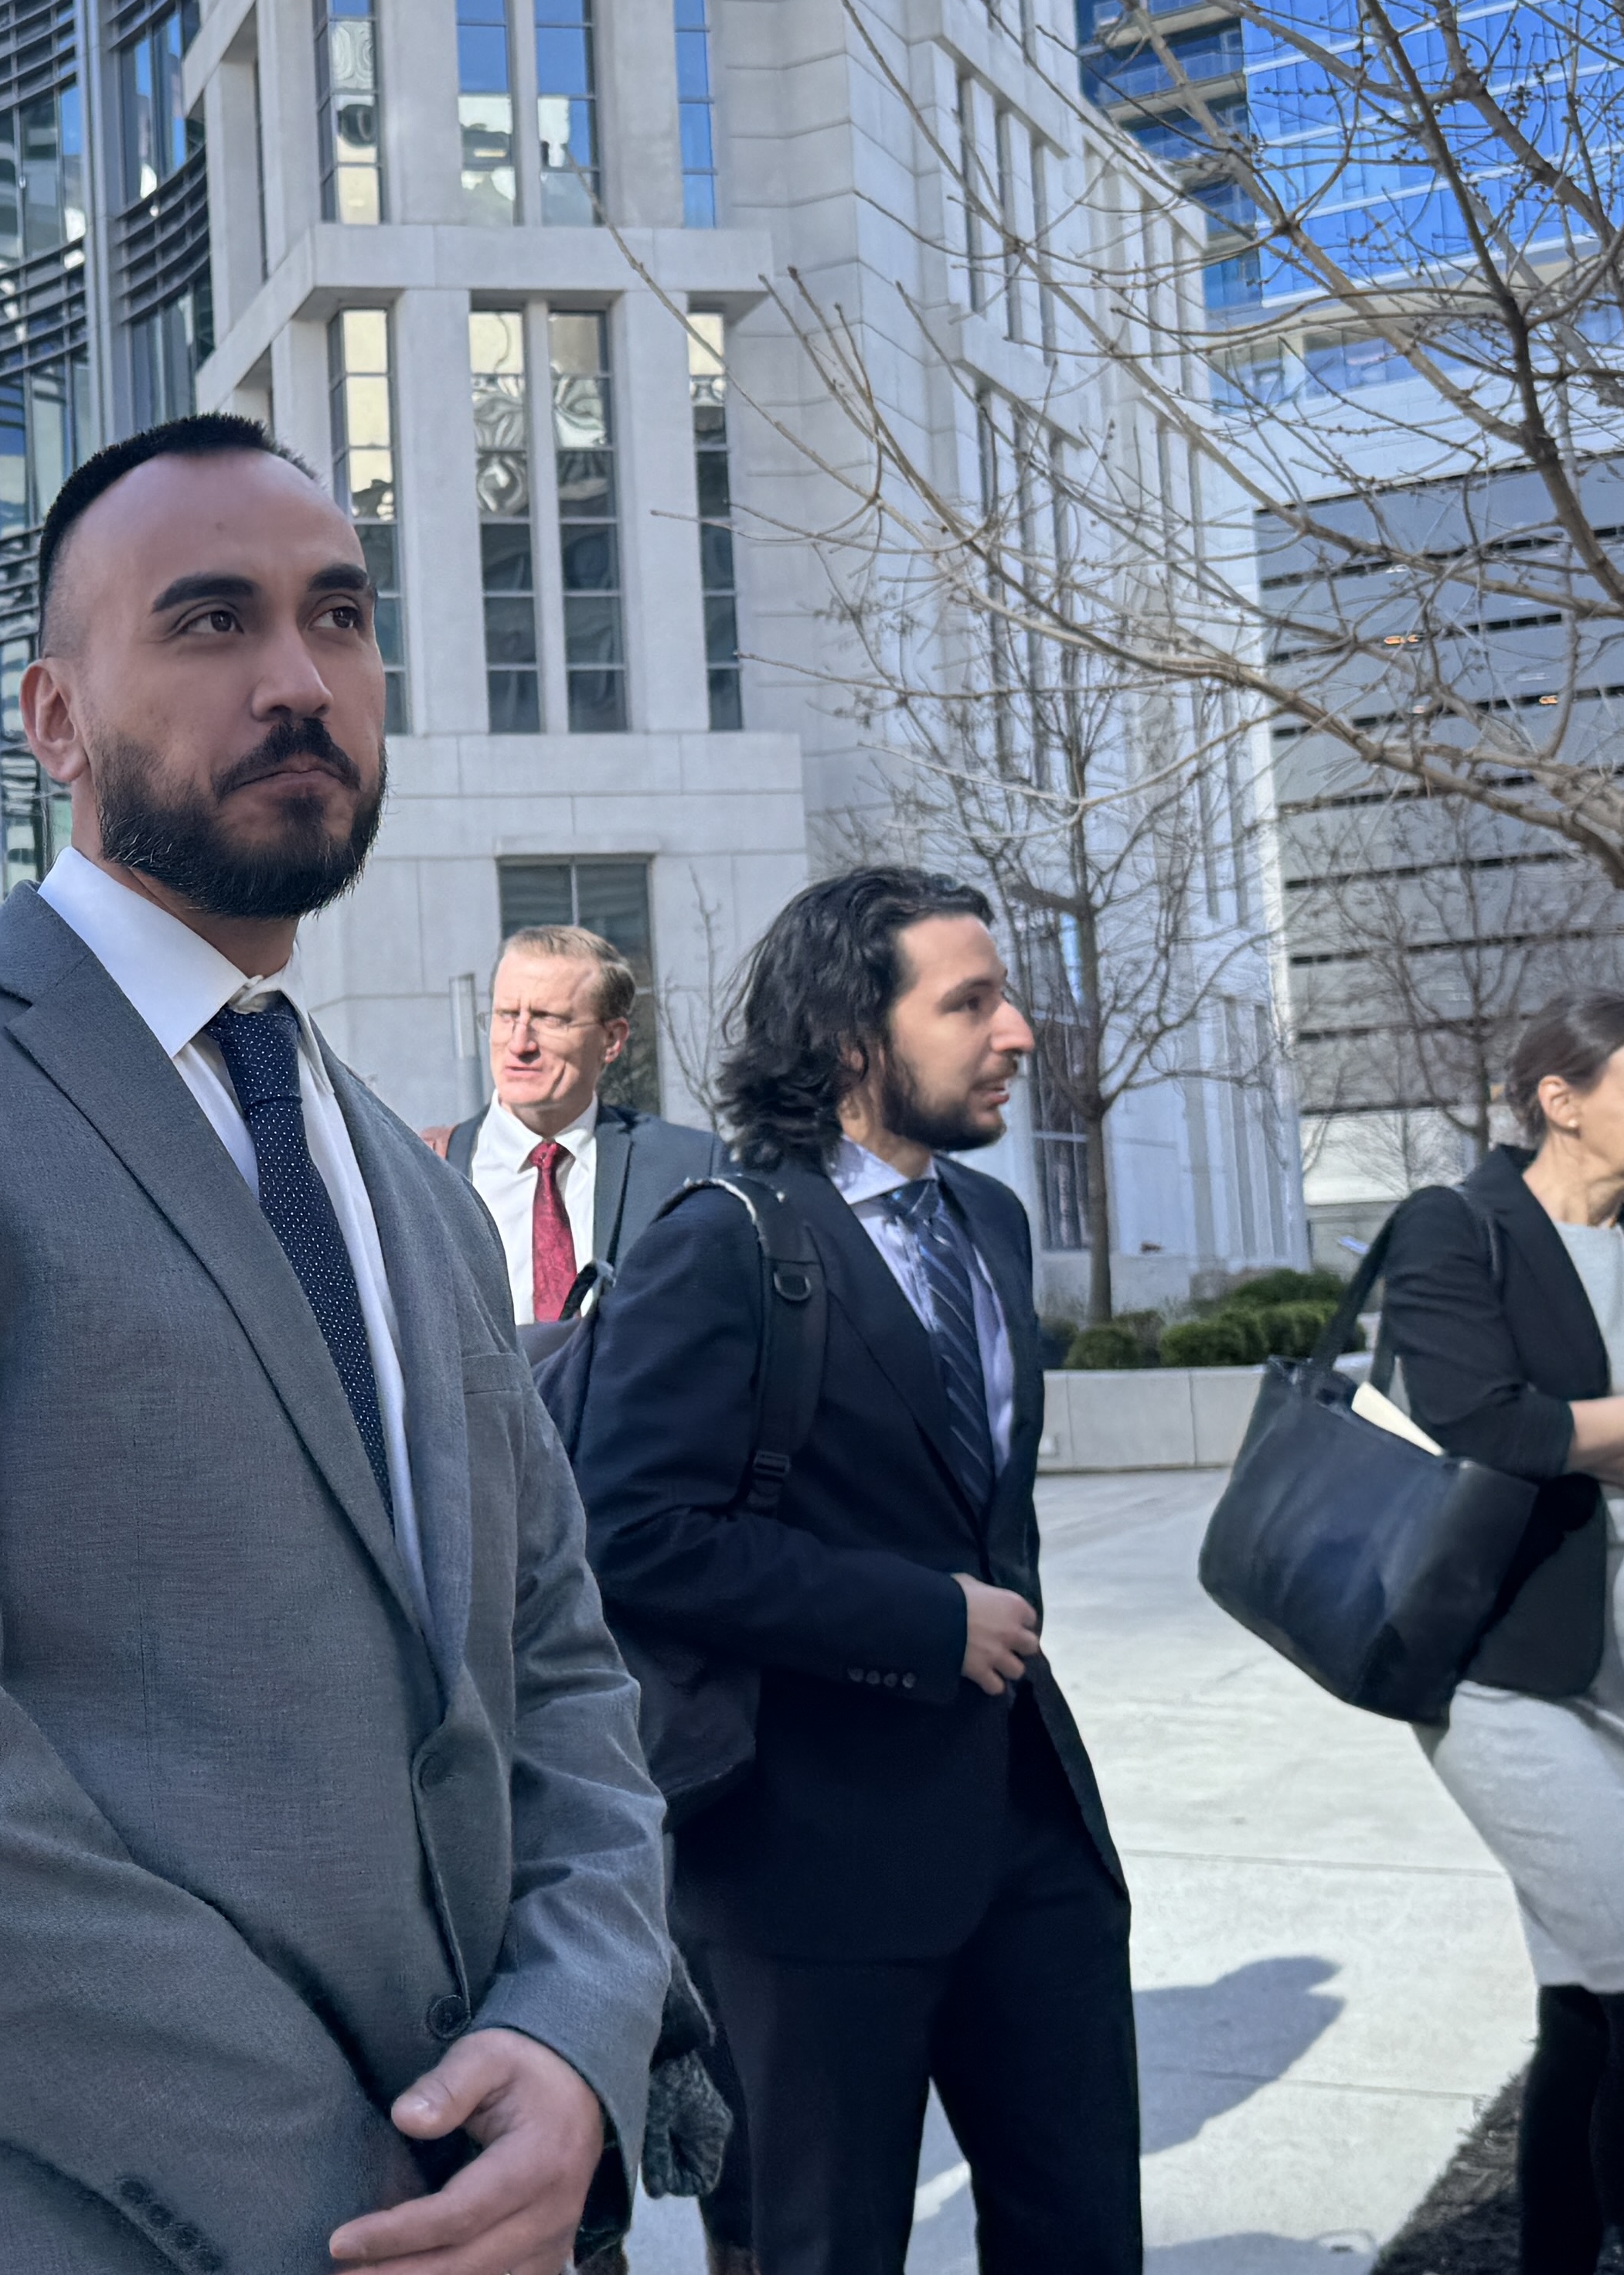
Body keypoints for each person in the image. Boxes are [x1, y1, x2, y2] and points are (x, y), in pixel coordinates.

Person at [0, 414, 668, 2275]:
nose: (300, 681)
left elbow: (560, 1679)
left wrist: (570, 2037)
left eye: (340, 620)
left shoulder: (413, 1186)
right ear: (52, 721)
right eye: (210, 624)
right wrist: (352, 2194)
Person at [567, 866, 1139, 2275]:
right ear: (848, 1042)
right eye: (971, 1002)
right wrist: (916, 1617)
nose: (1015, 1032)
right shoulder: (724, 1241)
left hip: (1027, 1833)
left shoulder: (991, 1228)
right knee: (815, 2252)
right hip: (805, 1863)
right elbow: (629, 1529)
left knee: (1082, 2236)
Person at [1367, 993, 1624, 2275]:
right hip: (1501, 1679)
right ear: (1561, 1097)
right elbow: (1488, 1423)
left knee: (1592, 2018)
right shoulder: (1455, 1227)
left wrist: (1602, 1436)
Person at [431, 924, 727, 1322]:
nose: (520, 1044)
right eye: (505, 1016)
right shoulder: (427, 1172)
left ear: (612, 1040)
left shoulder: (689, 1168)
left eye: (549, 1019)